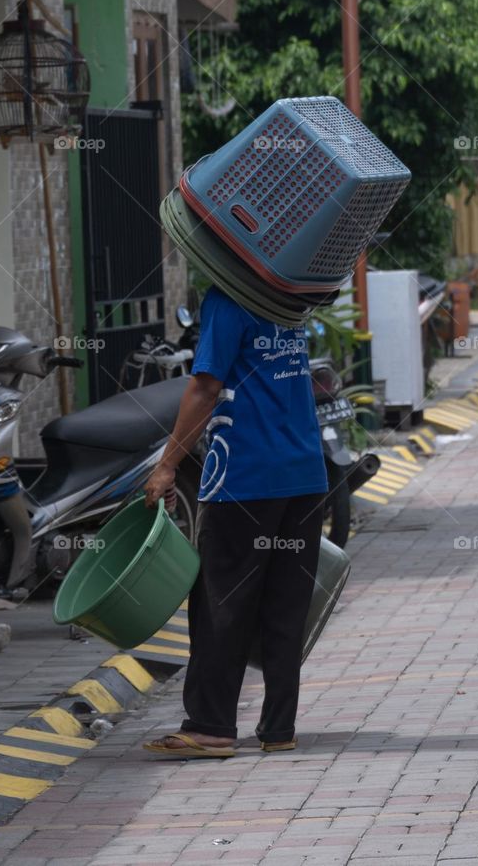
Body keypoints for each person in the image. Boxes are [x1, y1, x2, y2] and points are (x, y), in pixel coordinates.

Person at [141, 285, 327, 759]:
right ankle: (278, 728)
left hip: (244, 477)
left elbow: (205, 386)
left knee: (221, 602)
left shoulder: (229, 300)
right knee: (285, 606)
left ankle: (211, 726)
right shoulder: (291, 296)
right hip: (303, 473)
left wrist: (167, 465)